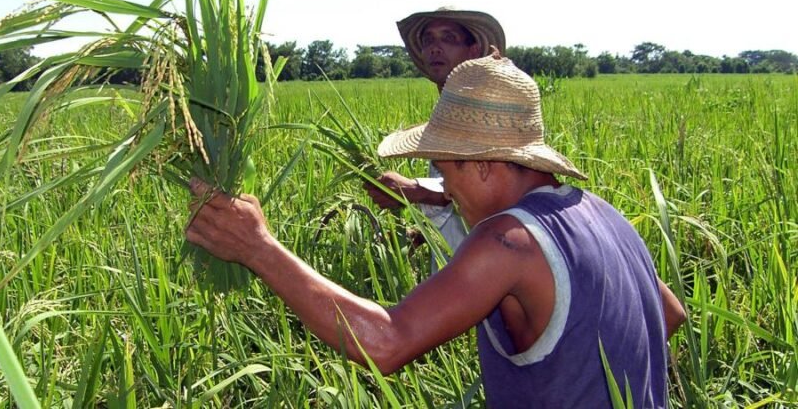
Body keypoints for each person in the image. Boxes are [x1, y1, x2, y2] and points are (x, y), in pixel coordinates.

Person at [186, 54, 686, 407]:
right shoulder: (600, 212)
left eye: (445, 173)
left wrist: (259, 248)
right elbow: (668, 313)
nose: (446, 189)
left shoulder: (508, 241)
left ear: (483, 165)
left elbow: (386, 343)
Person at [364, 6, 506, 270]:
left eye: (448, 38)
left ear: (473, 51)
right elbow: (457, 205)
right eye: (428, 40)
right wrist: (419, 236)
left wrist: (414, 190)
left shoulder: (488, 112)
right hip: (456, 272)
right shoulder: (446, 112)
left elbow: (489, 187)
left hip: (490, 273)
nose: (435, 48)